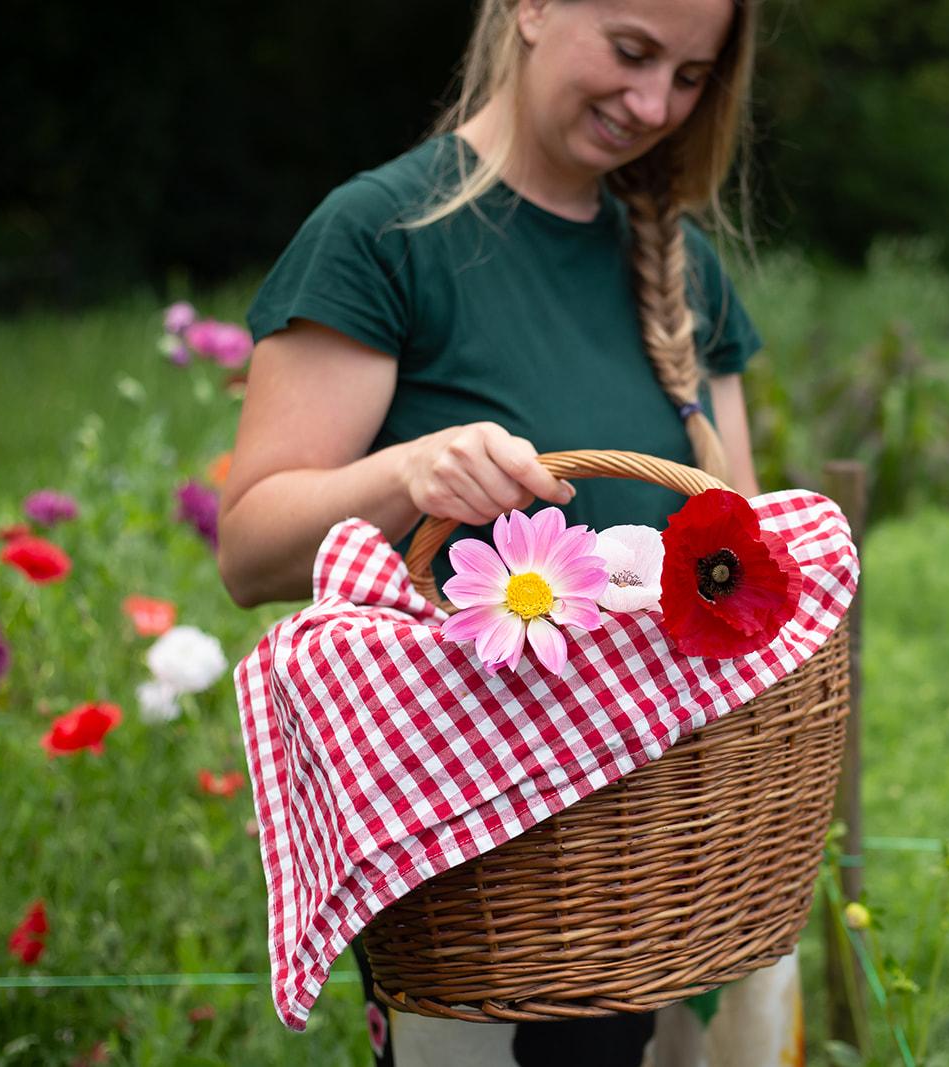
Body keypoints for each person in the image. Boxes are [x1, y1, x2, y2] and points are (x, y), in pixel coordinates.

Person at [217, 0, 801, 1063]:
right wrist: (405, 473)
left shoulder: (683, 271)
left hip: (677, 858)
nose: (652, 104)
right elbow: (248, 548)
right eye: (630, 52)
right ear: (531, 8)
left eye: (688, 76)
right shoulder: (385, 234)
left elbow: (748, 568)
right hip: (487, 882)